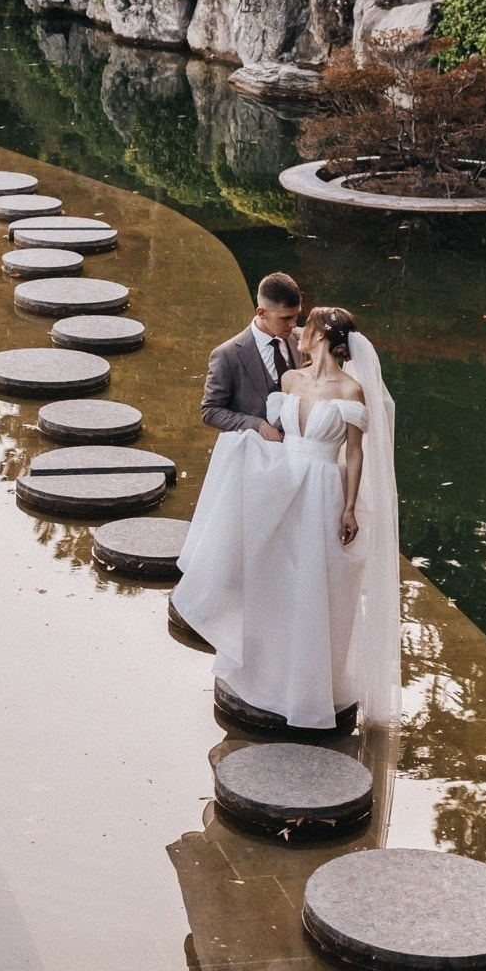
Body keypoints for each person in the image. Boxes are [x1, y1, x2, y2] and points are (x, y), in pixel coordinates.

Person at [174, 305, 402, 731]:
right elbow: (280, 436)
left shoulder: (352, 391)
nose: (297, 332)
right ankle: (266, 677)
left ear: (320, 337)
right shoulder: (290, 379)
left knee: (314, 588)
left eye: (306, 326)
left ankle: (311, 686)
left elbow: (354, 453)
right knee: (273, 581)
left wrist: (350, 507)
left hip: (323, 496)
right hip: (282, 490)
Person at [202, 273, 303, 440]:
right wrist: (256, 425)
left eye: (296, 315)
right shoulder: (227, 355)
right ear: (262, 312)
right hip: (254, 452)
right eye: (286, 318)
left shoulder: (304, 341)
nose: (293, 324)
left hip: (299, 450)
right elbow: (210, 410)